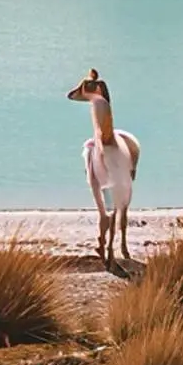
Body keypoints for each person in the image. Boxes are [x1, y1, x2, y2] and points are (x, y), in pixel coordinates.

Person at [68, 68, 140, 265]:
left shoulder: (99, 105)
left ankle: (108, 246)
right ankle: (112, 245)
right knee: (115, 208)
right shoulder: (102, 104)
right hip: (108, 154)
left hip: (107, 159)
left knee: (107, 210)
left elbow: (102, 132)